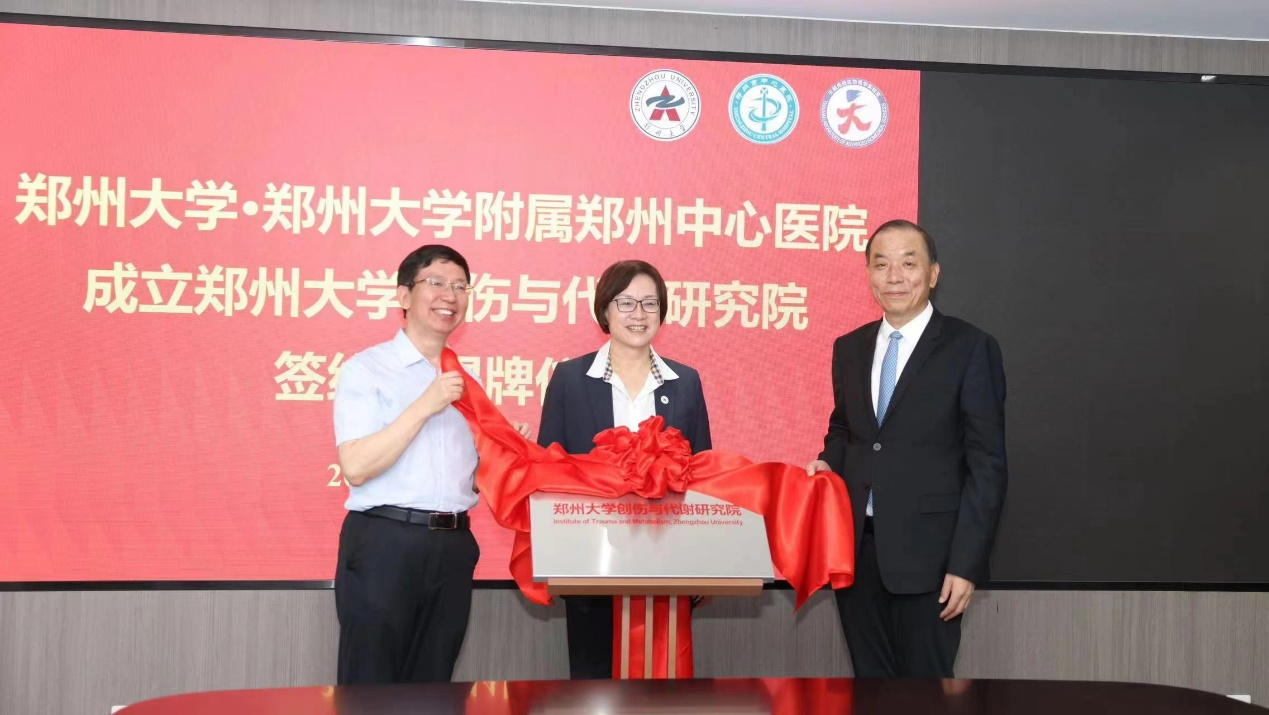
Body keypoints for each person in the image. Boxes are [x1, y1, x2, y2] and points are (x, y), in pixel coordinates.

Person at [806, 220, 1007, 678]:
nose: (894, 276)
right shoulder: (849, 347)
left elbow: (988, 465)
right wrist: (828, 462)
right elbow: (845, 428)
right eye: (882, 264)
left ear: (933, 273)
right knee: (869, 690)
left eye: (908, 263)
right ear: (868, 275)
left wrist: (966, 564)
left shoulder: (970, 348)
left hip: (932, 559)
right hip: (857, 554)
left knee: (926, 695)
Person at [331, 244, 531, 684]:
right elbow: (357, 465)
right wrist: (426, 404)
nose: (450, 296)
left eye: (460, 286)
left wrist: (506, 455)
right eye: (436, 283)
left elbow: (467, 480)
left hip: (452, 548)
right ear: (404, 296)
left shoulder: (465, 382)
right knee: (371, 690)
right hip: (386, 542)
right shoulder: (368, 369)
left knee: (434, 689)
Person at [537, 259, 712, 680]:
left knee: (662, 690)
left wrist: (703, 559)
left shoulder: (685, 381)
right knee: (593, 685)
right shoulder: (570, 378)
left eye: (650, 303)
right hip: (590, 561)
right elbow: (549, 470)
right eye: (626, 302)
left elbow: (702, 470)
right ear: (605, 310)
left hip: (667, 561)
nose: (639, 313)